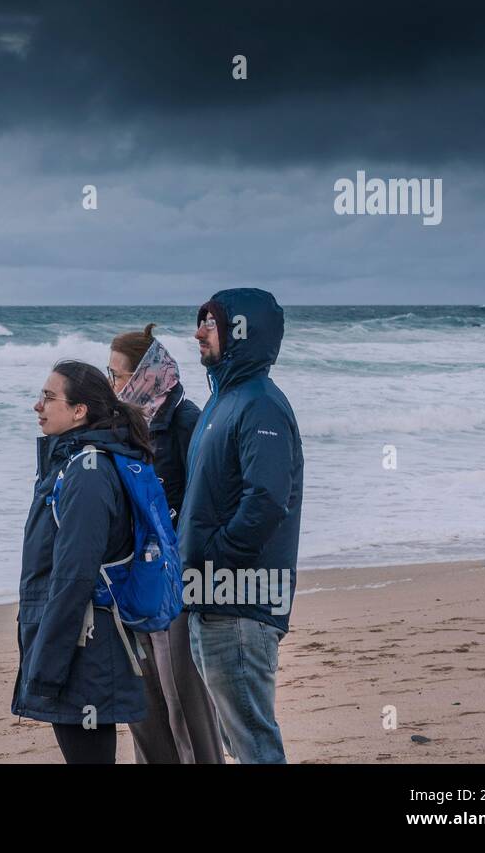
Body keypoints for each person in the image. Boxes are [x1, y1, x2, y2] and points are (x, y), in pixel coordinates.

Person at [178, 288, 303, 763]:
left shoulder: (261, 405)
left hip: (240, 602)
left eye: (210, 324)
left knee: (252, 739)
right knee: (238, 739)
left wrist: (214, 555)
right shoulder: (222, 401)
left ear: (240, 331)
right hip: (210, 596)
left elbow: (268, 500)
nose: (198, 333)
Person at [11, 361, 150, 763]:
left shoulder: (86, 472)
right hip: (75, 638)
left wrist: (46, 667)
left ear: (79, 411)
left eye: (49, 398)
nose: (38, 406)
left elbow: (74, 575)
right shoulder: (71, 465)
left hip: (83, 643)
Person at [107, 325, 223, 764]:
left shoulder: (187, 421)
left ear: (143, 376)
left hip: (178, 585)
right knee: (143, 708)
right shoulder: (123, 428)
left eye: (117, 375)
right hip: (133, 580)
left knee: (185, 707)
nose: (111, 385)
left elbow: (209, 502)